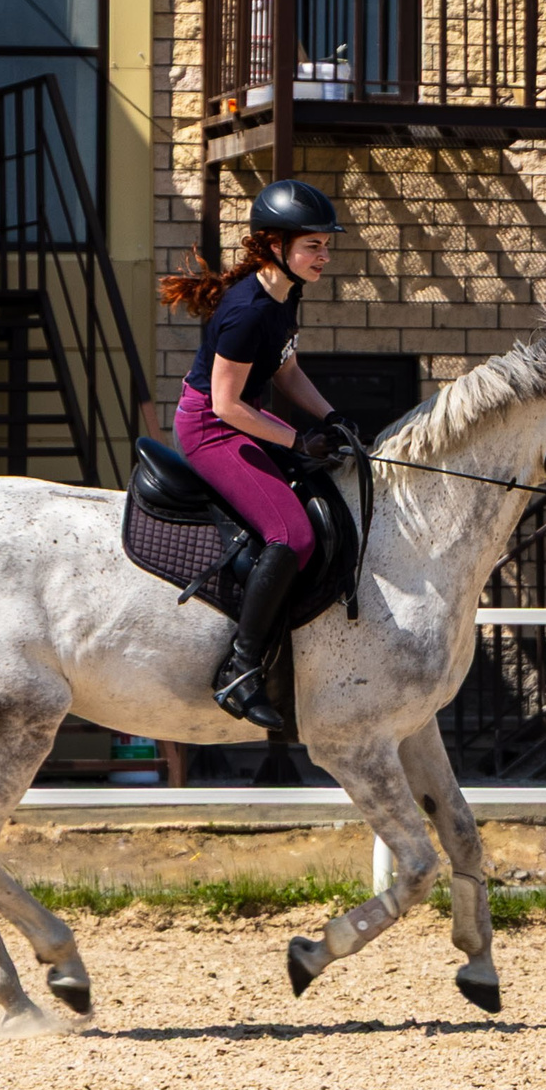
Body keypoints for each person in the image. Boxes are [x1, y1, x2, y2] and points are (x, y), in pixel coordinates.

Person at [159, 179, 353, 729]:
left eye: (325, 245)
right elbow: (224, 405)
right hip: (210, 428)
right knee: (292, 535)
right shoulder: (247, 311)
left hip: (245, 419)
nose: (324, 255)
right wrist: (297, 440)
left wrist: (330, 417)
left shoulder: (286, 293)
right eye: (313, 245)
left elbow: (285, 369)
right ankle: (239, 671)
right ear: (275, 246)